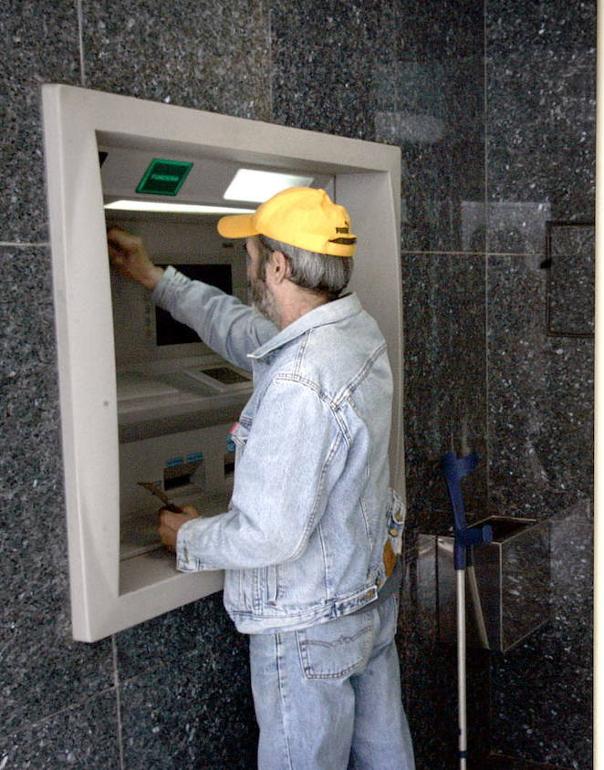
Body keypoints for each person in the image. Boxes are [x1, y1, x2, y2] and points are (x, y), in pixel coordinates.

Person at [107, 187, 415, 770]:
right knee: (384, 756)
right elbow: (246, 334)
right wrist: (156, 280)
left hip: (307, 619)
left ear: (277, 266)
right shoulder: (352, 334)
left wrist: (188, 537)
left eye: (250, 256)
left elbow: (269, 535)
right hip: (364, 594)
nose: (247, 268)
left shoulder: (300, 381)